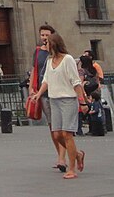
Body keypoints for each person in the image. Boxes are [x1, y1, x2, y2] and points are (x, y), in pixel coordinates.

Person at [28, 33, 88, 179]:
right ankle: (78, 154)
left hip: (68, 100)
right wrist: (38, 94)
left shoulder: (67, 60)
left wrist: (82, 102)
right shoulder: (49, 61)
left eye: (47, 42)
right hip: (54, 100)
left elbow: (76, 82)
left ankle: (72, 168)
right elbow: (46, 80)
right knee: (57, 134)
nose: (45, 45)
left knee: (66, 134)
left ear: (54, 44)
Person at [28, 24, 63, 169]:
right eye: (42, 35)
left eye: (47, 35)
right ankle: (60, 155)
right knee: (52, 127)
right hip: (43, 94)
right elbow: (34, 70)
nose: (44, 37)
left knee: (59, 128)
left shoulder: (58, 53)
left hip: (58, 93)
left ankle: (63, 158)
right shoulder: (38, 52)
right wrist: (31, 87)